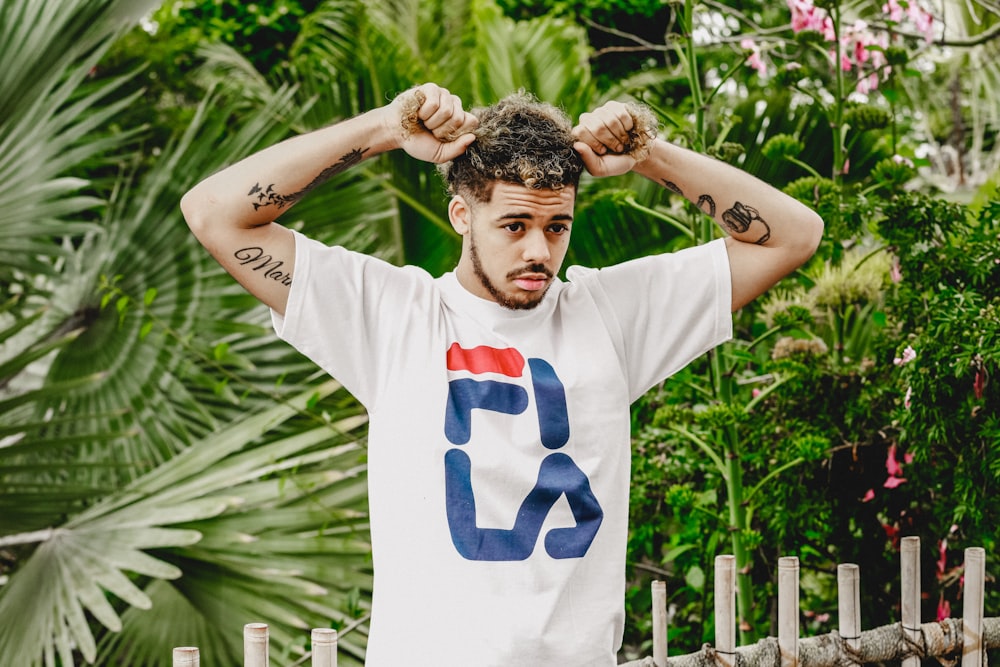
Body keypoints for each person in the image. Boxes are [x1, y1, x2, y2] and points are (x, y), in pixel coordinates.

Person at [181, 83, 823, 666]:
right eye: (514, 225)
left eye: (556, 226)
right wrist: (383, 128)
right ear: (463, 215)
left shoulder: (613, 316)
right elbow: (214, 212)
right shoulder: (391, 316)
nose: (538, 251)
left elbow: (795, 234)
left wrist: (649, 153)